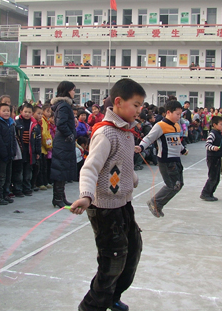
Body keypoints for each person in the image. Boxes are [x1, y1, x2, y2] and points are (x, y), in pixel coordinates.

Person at [70, 78, 145, 311]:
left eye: (142, 105)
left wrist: (130, 178)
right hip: (103, 207)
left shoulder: (127, 132)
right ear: (119, 102)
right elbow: (90, 167)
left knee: (133, 249)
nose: (140, 110)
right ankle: (92, 307)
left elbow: (122, 164)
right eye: (136, 104)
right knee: (113, 259)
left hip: (123, 203)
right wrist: (86, 195)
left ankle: (112, 296)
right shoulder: (106, 133)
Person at [136, 99, 188, 218]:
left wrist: (183, 150)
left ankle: (157, 204)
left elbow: (177, 142)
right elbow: (149, 138)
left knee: (179, 184)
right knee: (172, 185)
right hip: (166, 161)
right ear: (168, 112)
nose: (179, 117)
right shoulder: (160, 126)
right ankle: (155, 202)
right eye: (177, 114)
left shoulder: (176, 126)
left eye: (180, 115)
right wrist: (140, 147)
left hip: (176, 160)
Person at [50, 81, 77, 207]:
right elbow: (61, 124)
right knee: (60, 169)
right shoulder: (64, 106)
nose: (74, 92)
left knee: (63, 169)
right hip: (63, 142)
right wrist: (69, 135)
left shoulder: (63, 105)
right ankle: (57, 198)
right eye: (73, 90)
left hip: (64, 142)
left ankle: (61, 197)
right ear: (67, 91)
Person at [200, 115, 222, 201]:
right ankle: (205, 193)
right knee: (212, 177)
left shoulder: (219, 134)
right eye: (221, 124)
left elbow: (221, 145)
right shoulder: (212, 134)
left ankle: (210, 193)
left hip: (218, 157)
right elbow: (207, 145)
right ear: (214, 125)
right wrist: (213, 148)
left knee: (217, 178)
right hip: (212, 158)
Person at [0, 103, 17, 203]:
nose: (6, 113)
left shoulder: (10, 123)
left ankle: (5, 194)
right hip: (1, 155)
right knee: (0, 177)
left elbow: (13, 139)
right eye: (4, 111)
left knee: (7, 177)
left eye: (8, 111)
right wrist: (4, 154)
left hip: (10, 154)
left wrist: (13, 151)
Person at [15, 103, 41, 197]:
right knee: (19, 171)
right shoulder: (16, 122)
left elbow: (38, 139)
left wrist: (37, 152)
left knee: (28, 171)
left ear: (32, 113)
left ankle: (27, 188)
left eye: (29, 112)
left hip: (30, 151)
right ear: (21, 111)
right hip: (20, 150)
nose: (27, 114)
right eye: (25, 111)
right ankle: (18, 189)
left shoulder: (35, 124)